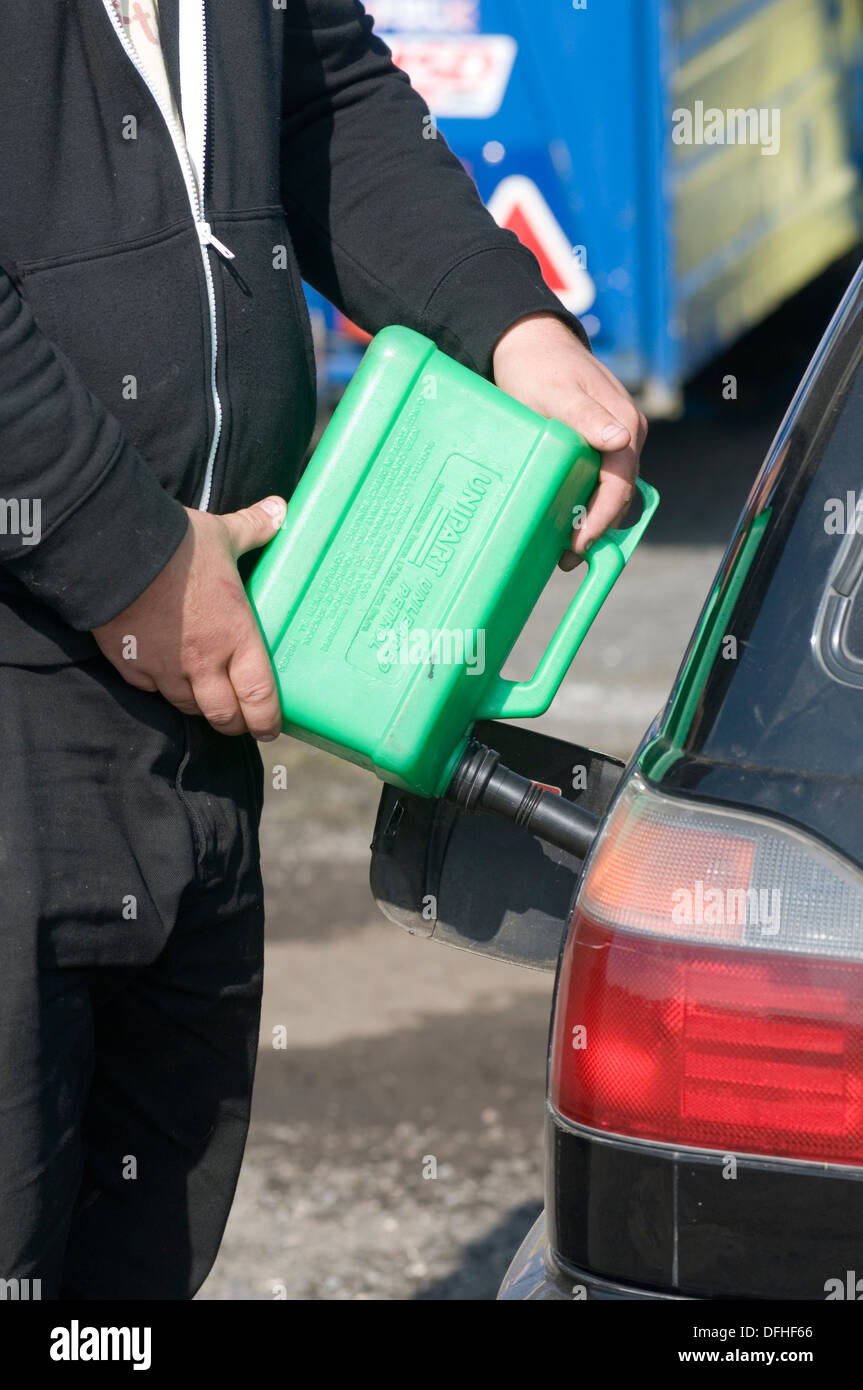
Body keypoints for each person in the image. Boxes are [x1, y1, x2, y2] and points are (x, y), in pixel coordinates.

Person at [0, 0, 646, 1299]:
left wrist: (507, 325)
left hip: (206, 672)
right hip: (37, 674)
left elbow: (321, 99)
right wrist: (117, 545)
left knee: (138, 1250)